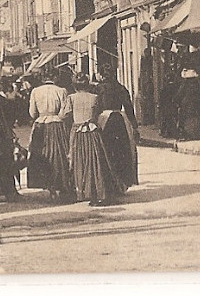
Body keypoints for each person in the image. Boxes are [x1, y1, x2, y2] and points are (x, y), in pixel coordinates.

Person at [66, 73, 124, 207]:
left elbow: (65, 114)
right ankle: (99, 192)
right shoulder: (95, 98)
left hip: (78, 131)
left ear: (75, 85)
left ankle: (84, 191)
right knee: (96, 161)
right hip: (93, 131)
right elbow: (98, 113)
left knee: (80, 161)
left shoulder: (71, 98)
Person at [27, 67, 75, 202]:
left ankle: (49, 187)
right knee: (59, 155)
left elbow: (32, 113)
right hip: (56, 124)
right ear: (55, 78)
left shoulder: (35, 91)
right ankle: (62, 185)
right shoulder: (62, 91)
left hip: (41, 124)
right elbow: (65, 112)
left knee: (42, 154)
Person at [95, 61, 140, 188]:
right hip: (120, 120)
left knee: (105, 151)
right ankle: (121, 181)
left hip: (104, 120)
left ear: (101, 75)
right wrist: (134, 125)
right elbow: (129, 107)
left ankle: (109, 182)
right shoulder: (121, 88)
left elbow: (96, 106)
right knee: (121, 151)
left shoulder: (98, 88)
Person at [175, 61, 200, 141]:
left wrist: (177, 102)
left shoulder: (185, 83)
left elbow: (179, 95)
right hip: (197, 106)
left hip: (187, 106)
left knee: (187, 120)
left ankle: (188, 134)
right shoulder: (198, 83)